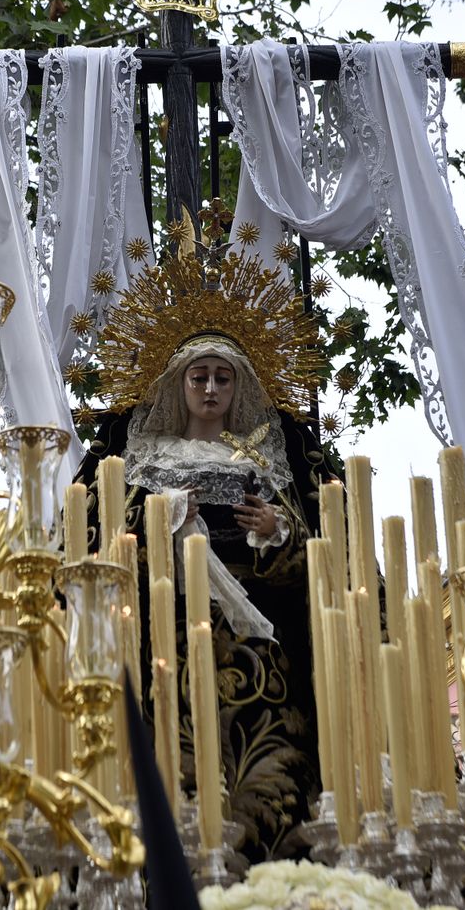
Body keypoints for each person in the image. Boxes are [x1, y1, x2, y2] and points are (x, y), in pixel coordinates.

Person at [78, 329, 337, 862]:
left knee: (271, 778)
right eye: (200, 378)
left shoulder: (269, 458)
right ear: (180, 385)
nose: (212, 389)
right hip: (166, 639)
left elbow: (325, 560)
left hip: (258, 650)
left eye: (224, 378)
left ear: (239, 387)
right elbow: (103, 548)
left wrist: (275, 530)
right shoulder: (145, 459)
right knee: (169, 767)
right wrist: (164, 518)